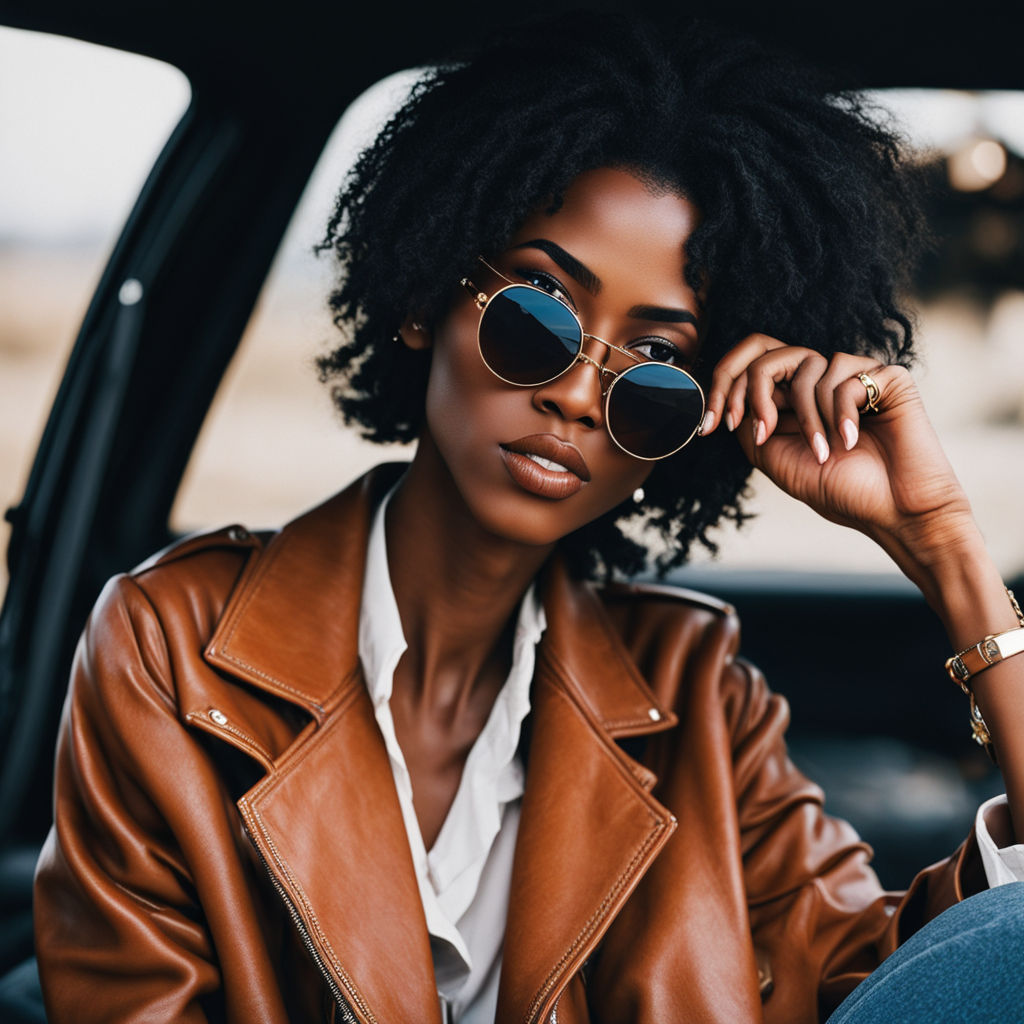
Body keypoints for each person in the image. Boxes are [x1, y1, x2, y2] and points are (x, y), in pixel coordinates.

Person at [33, 12, 1024, 1024]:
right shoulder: (172, 648)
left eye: (657, 369)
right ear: (425, 295)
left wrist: (943, 548)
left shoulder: (699, 697)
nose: (579, 397)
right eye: (536, 313)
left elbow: (924, 982)